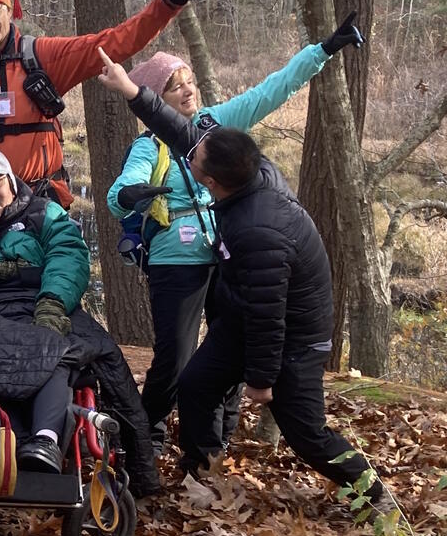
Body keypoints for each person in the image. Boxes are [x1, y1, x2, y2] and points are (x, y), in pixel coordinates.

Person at [98, 55, 390, 510]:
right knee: (190, 376)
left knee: (306, 434)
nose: (189, 93)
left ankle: (375, 494)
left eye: (190, 82)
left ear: (212, 181)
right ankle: (200, 469)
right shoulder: (239, 171)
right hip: (216, 290)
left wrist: (261, 379)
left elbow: (267, 312)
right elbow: (162, 151)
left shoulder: (257, 230)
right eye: (177, 86)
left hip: (293, 334)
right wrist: (129, 94)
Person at [0, 149, 160, 496]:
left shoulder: (44, 213)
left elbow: (68, 256)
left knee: (71, 348)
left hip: (41, 306)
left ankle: (45, 442)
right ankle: (16, 446)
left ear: (11, 183)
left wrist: (52, 301)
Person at [0, 0, 215, 206]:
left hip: (38, 203)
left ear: (8, 9)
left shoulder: (43, 57)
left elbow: (116, 42)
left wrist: (168, 2)